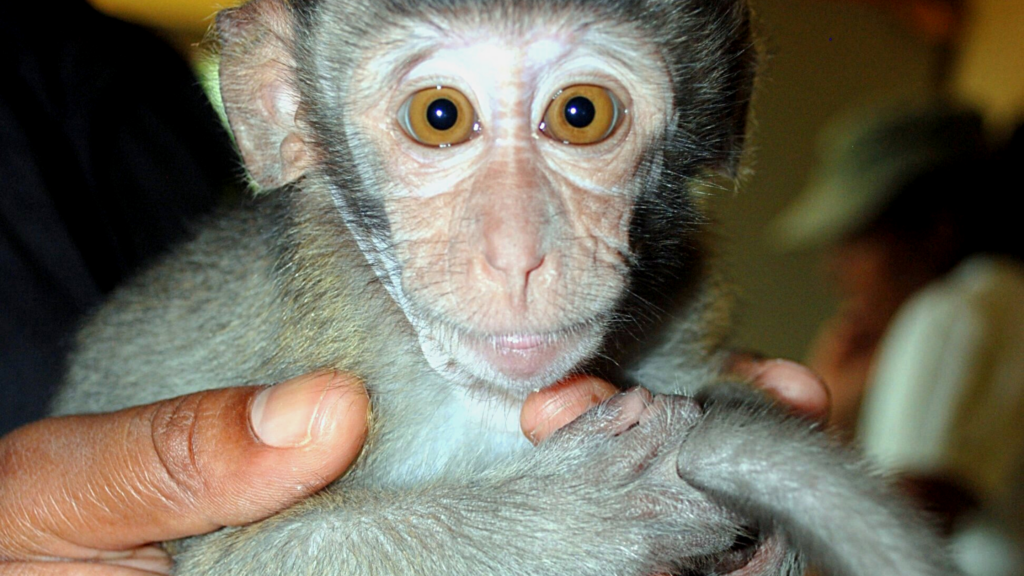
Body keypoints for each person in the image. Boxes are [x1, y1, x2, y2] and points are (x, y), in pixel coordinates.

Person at [0, 2, 831, 570]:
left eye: (583, 112)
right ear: (279, 104)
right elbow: (250, 556)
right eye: (440, 114)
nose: (516, 250)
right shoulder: (335, 314)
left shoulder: (112, 78)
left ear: (717, 106)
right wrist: (556, 529)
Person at [774, 104, 1024, 575]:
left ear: (937, 230)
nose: (834, 268)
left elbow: (908, 525)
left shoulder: (954, 309)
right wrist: (833, 414)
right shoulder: (998, 298)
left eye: (856, 239)